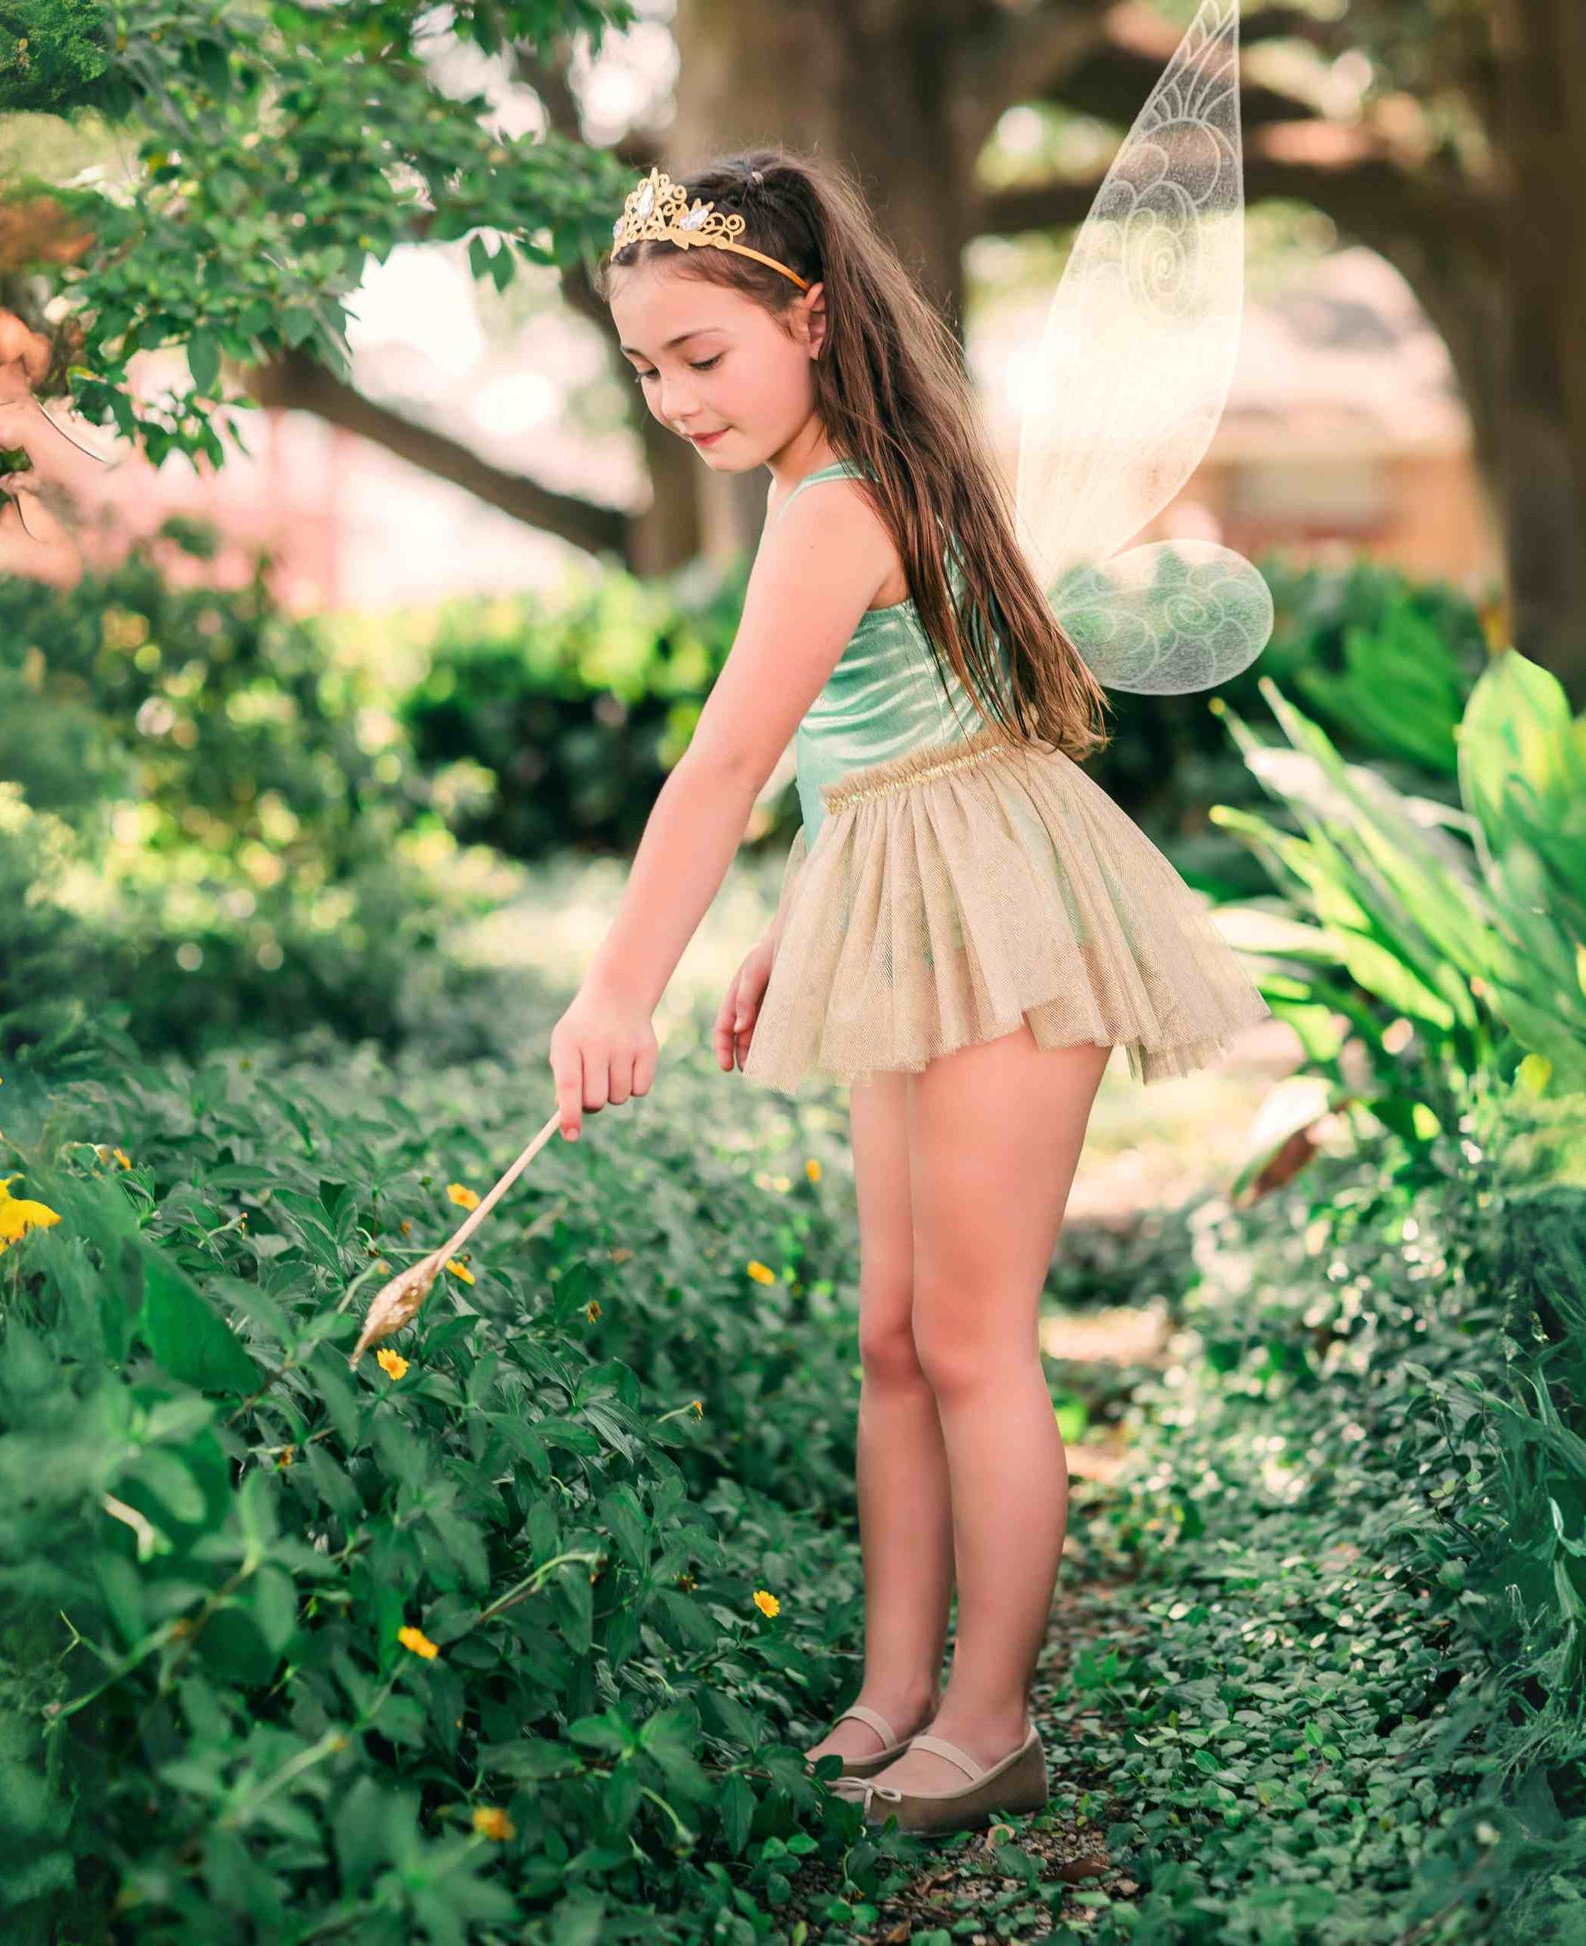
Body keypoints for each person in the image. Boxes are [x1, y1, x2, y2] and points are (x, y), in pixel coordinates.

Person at [548, 148, 1273, 1836]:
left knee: (964, 1334)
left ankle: (992, 1717)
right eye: (645, 367)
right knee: (892, 1336)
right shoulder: (860, 483)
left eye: (702, 358)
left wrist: (616, 987)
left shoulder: (837, 507)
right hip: (913, 892)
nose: (673, 399)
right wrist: (793, 926)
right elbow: (890, 736)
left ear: (808, 316)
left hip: (998, 914)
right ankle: (891, 1693)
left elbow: (724, 762)